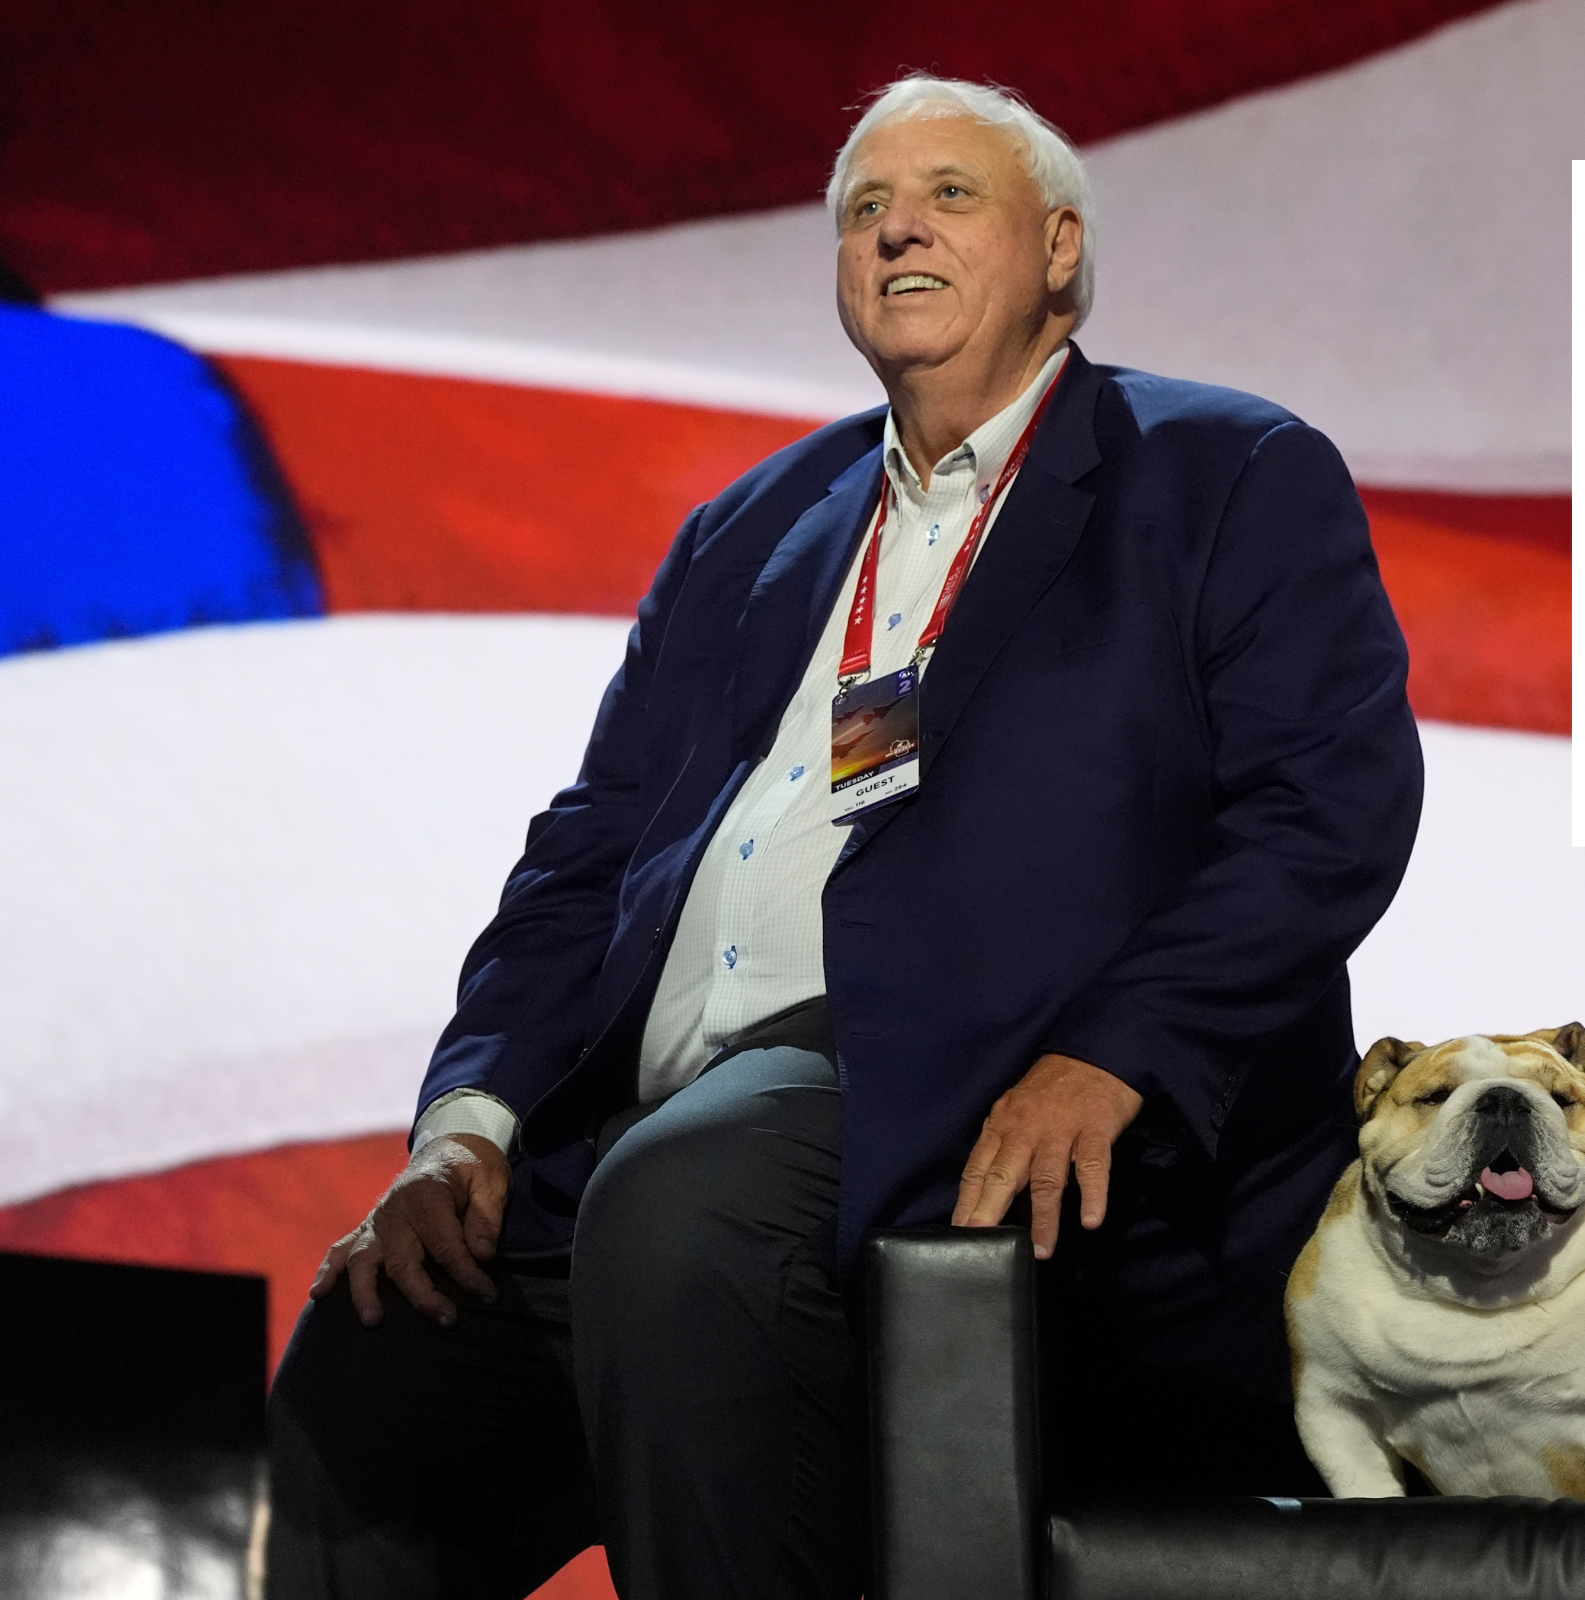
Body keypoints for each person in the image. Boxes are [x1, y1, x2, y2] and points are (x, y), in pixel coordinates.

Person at [265, 75, 1422, 1600]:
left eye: (949, 195)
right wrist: (470, 1120)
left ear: (1062, 250)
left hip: (954, 1083)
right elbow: (591, 848)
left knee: (685, 1215)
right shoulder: (754, 524)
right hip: (650, 1117)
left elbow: (1326, 810)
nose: (896, 230)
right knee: (376, 1366)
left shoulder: (1224, 474)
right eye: (863, 209)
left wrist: (1120, 1048)